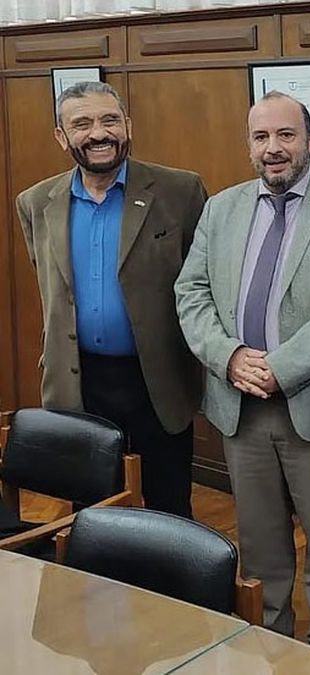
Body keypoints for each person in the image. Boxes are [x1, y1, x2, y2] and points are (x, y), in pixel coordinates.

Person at [174, 92, 310, 656]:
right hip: (239, 407)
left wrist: (280, 368)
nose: (273, 149)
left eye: (286, 135)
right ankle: (270, 648)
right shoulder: (221, 208)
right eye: (261, 138)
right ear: (249, 146)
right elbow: (191, 292)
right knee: (259, 547)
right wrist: (228, 356)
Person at [16, 81, 206, 517]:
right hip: (79, 381)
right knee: (90, 509)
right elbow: (53, 286)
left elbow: (201, 280)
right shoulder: (35, 203)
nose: (98, 133)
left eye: (109, 120)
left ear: (128, 126)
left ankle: (167, 588)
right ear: (62, 137)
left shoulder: (181, 191)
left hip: (156, 381)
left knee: (169, 506)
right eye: (82, 123)